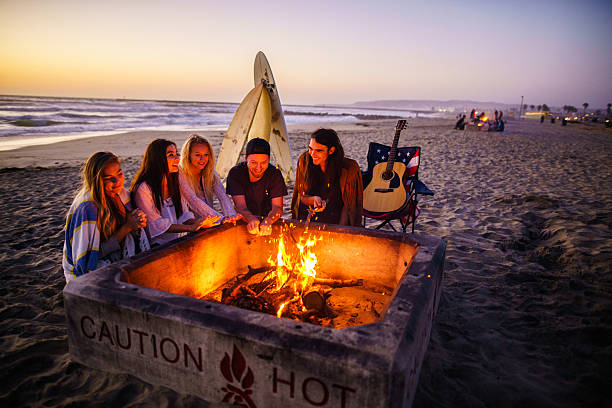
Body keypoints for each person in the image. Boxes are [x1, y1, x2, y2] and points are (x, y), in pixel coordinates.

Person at [63, 151, 150, 282]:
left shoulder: (121, 195)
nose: (117, 182)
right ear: (96, 181)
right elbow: (88, 260)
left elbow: (133, 229)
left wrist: (138, 223)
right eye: (109, 178)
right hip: (88, 271)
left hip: (115, 256)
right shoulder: (87, 209)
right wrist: (127, 227)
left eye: (119, 174)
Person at [131, 139, 218, 246]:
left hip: (174, 242)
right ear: (158, 159)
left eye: (177, 154)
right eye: (171, 155)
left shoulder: (174, 181)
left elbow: (183, 214)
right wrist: (190, 228)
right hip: (153, 246)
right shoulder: (144, 188)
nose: (177, 159)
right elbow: (156, 224)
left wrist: (199, 223)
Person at [291, 128, 363, 226]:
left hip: (336, 219)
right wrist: (314, 199)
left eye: (318, 150)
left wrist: (340, 231)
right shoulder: (304, 161)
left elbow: (349, 206)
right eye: (310, 148)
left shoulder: (349, 168)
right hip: (309, 215)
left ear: (331, 150)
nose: (312, 154)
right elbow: (301, 197)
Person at [226, 138, 287, 235]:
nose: (259, 168)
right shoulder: (236, 173)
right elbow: (240, 206)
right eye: (254, 162)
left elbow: (277, 207)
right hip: (244, 219)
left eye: (263, 162)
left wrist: (268, 221)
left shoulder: (275, 174)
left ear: (269, 160)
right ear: (246, 159)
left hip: (270, 220)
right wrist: (251, 219)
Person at [179, 134, 240, 223]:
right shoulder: (180, 173)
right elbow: (192, 200)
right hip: (188, 226)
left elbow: (223, 196)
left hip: (210, 222)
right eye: (198, 155)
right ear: (188, 155)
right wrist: (221, 218)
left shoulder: (209, 171)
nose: (202, 159)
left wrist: (232, 217)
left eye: (206, 155)